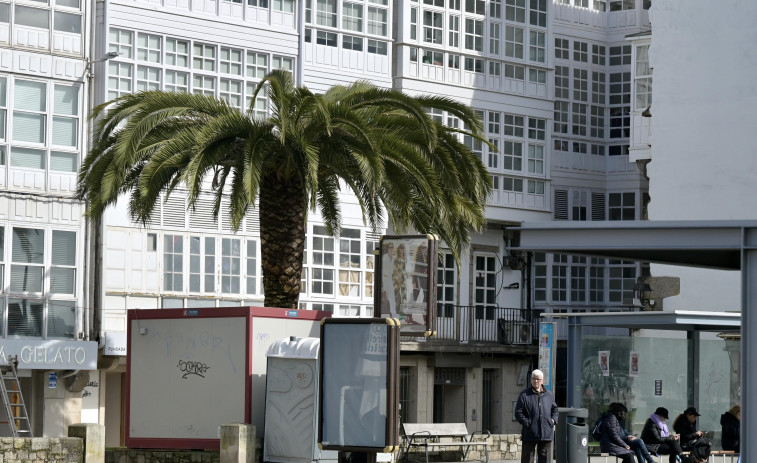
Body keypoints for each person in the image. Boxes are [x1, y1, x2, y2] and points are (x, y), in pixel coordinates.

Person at [514, 369, 558, 463]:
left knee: (545, 460)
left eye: (538, 379)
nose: (536, 381)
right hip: (530, 433)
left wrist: (553, 421)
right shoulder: (524, 395)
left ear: (542, 381)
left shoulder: (549, 395)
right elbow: (518, 412)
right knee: (527, 460)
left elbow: (555, 410)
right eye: (534, 378)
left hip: (546, 433)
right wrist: (528, 423)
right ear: (531, 380)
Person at [380, 242, 397, 316]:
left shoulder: (393, 258)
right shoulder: (385, 256)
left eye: (392, 247)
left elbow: (391, 270)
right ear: (387, 249)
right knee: (385, 297)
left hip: (390, 279)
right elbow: (382, 268)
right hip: (384, 278)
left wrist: (394, 273)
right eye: (390, 247)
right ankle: (386, 313)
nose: (391, 249)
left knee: (392, 298)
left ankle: (393, 313)